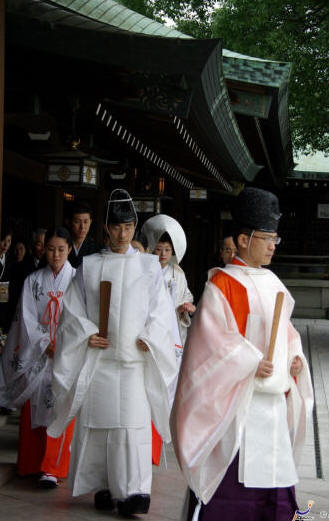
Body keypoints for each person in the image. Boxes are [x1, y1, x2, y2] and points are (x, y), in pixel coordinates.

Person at [170, 187, 314, 521]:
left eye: (275, 239)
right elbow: (211, 346)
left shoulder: (274, 283)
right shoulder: (221, 284)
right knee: (230, 495)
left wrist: (295, 360)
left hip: (273, 408)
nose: (272, 246)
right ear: (244, 239)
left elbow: (289, 336)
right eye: (267, 238)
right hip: (237, 408)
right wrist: (250, 362)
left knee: (275, 493)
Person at [47, 189, 177, 517]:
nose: (123, 234)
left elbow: (161, 312)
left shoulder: (149, 267)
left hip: (133, 361)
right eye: (117, 227)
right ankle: (104, 485)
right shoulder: (89, 266)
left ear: (135, 227)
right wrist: (88, 334)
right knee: (100, 428)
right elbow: (71, 314)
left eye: (129, 227)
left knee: (132, 428)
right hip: (100, 362)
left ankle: (134, 491)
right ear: (106, 228)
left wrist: (151, 336)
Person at [0, 227, 76, 487]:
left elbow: (81, 320)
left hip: (66, 356)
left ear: (69, 249)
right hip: (39, 356)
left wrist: (63, 344)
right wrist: (45, 343)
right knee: (35, 408)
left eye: (61, 249)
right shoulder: (33, 280)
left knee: (59, 410)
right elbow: (27, 317)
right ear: (44, 250)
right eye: (51, 249)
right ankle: (32, 464)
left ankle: (52, 469)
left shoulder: (77, 280)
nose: (55, 255)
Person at [67, 201, 99, 268]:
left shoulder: (96, 248)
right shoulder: (63, 245)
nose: (82, 227)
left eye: (86, 222)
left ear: (90, 222)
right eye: (77, 222)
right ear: (69, 222)